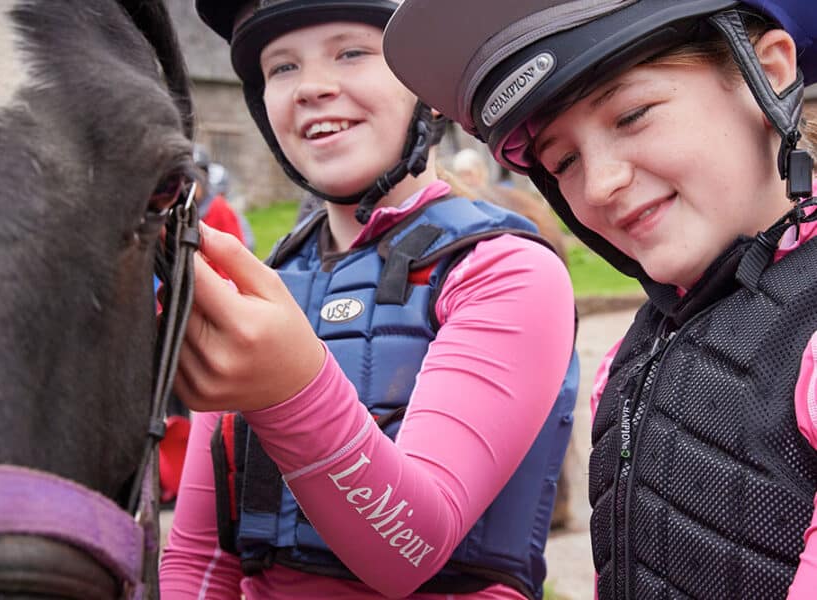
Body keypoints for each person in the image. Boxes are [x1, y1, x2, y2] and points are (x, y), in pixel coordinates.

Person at [383, 0, 817, 598]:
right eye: (564, 161)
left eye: (632, 114)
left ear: (767, 73)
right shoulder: (627, 357)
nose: (600, 183)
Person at [160, 1, 579, 598]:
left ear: (429, 89)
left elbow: (408, 554)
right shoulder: (258, 281)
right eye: (281, 67)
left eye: (351, 52)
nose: (311, 87)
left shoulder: (505, 269)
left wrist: (286, 388)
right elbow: (200, 557)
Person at [451, 148, 568, 262]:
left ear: (481, 172)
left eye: (468, 174)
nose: (466, 180)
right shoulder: (464, 208)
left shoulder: (505, 200)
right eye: (461, 175)